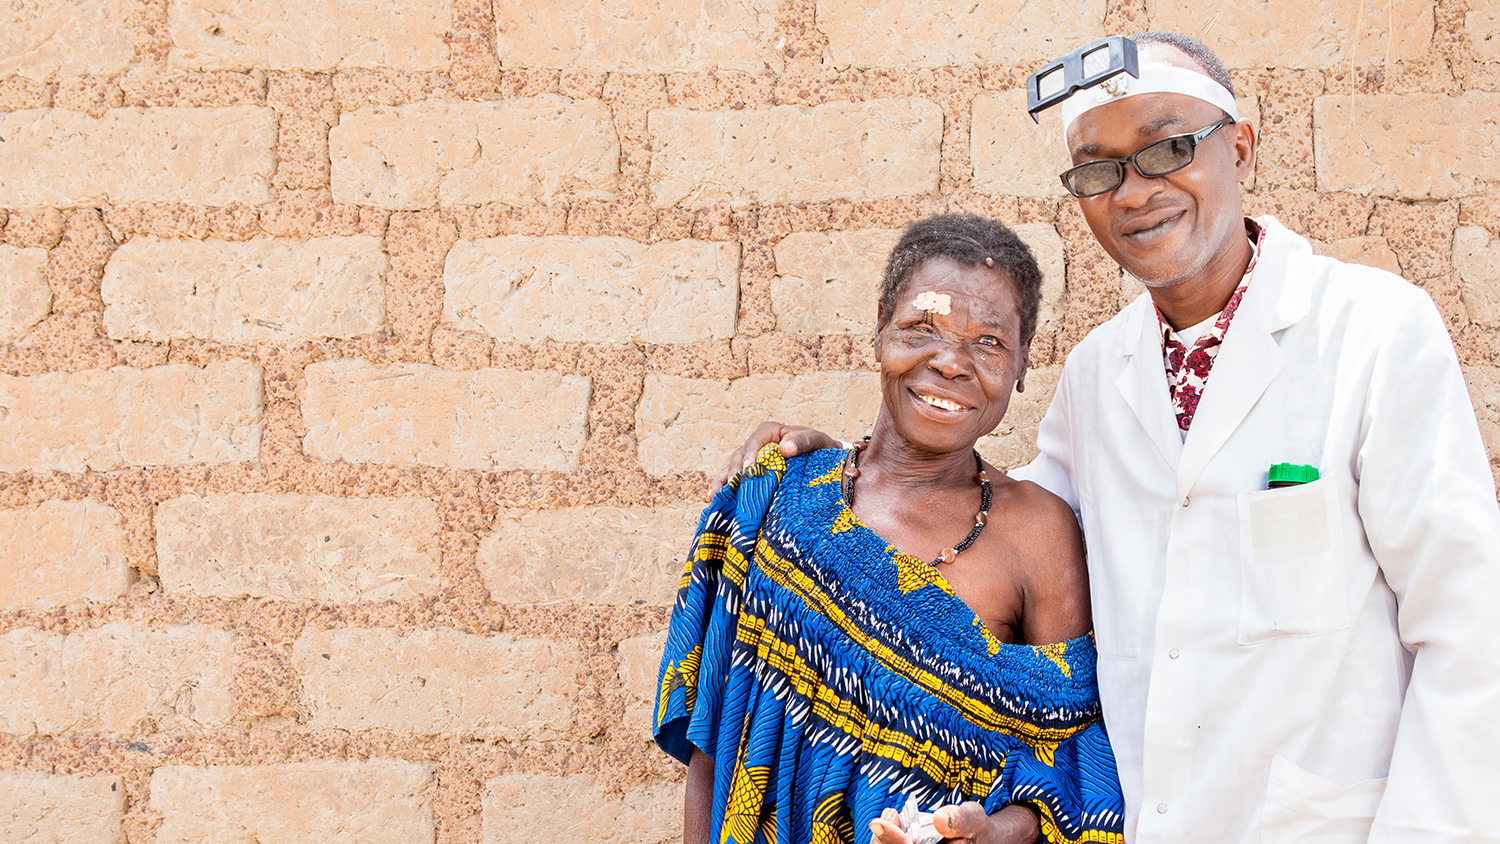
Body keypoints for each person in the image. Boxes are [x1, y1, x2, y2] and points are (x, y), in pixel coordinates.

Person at [716, 32, 1500, 843]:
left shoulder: (1372, 331)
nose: (1133, 191)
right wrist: (845, 471)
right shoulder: (1101, 373)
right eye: (1098, 168)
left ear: (1242, 147)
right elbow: (994, 512)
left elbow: (1470, 625)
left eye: (1167, 148)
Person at [654, 215, 1125, 844]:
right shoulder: (776, 500)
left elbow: (1080, 763)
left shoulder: (1038, 533)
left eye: (987, 342)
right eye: (921, 328)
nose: (951, 363)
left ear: (1021, 365)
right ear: (879, 329)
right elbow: (713, 742)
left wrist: (993, 833)